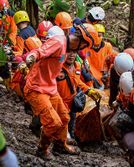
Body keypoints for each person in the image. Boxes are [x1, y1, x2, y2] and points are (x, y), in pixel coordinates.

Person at [23, 23, 100, 159]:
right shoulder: (59, 41)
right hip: (36, 88)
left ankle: (60, 145)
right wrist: (32, 57)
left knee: (64, 117)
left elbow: (73, 77)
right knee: (53, 122)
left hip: (50, 87)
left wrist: (87, 89)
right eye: (84, 47)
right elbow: (40, 50)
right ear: (82, 43)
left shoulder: (67, 48)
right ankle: (42, 149)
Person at [56, 51, 101, 139]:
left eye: (74, 52)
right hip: (58, 105)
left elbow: (77, 81)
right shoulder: (56, 67)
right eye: (68, 52)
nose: (71, 55)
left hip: (72, 103)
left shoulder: (77, 66)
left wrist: (88, 90)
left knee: (71, 130)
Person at [79, 23, 117, 89]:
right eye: (97, 35)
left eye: (100, 35)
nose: (98, 37)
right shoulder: (86, 46)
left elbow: (112, 61)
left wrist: (108, 74)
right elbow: (81, 63)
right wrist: (90, 77)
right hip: (89, 79)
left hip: (104, 79)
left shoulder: (107, 46)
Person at [0, 0, 17, 90]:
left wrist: (10, 45)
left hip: (5, 43)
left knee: (5, 66)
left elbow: (13, 31)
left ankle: (9, 87)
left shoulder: (11, 16)